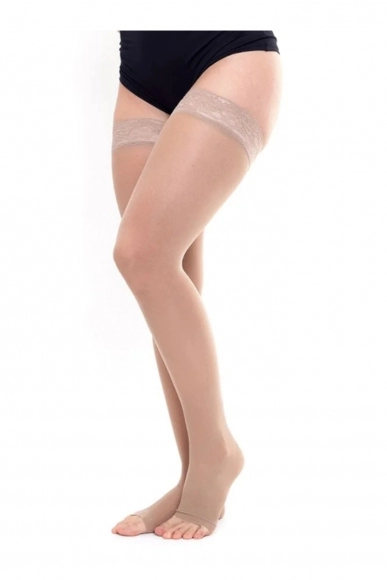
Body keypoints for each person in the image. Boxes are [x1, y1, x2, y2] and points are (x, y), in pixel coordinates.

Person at [109, 31, 282, 540]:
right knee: (167, 271)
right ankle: (192, 475)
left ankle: (216, 454)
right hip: (139, 72)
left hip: (229, 51)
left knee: (142, 255)